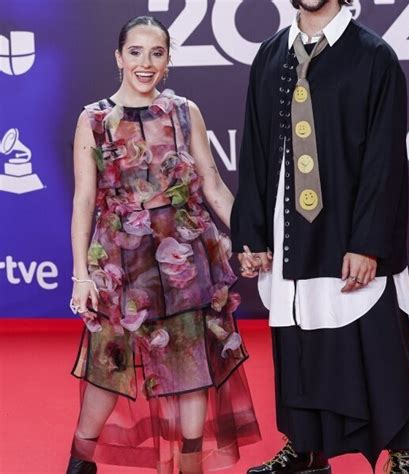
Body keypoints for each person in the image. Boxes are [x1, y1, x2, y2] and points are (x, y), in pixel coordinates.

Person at [231, 0, 409, 473]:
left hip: (350, 228)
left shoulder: (373, 56)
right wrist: (252, 233)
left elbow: (384, 161)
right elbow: (256, 149)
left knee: (375, 338)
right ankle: (305, 447)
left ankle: (403, 453)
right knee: (297, 338)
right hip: (288, 229)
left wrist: (369, 244)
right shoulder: (270, 55)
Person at [67, 16, 260, 474]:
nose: (145, 63)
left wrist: (251, 240)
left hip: (186, 260)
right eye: (135, 52)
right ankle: (80, 460)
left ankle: (189, 468)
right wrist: (80, 275)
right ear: (118, 58)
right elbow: (84, 201)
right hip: (119, 260)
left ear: (169, 61)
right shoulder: (93, 120)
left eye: (156, 53)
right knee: (108, 369)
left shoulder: (183, 112)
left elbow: (211, 183)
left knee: (193, 367)